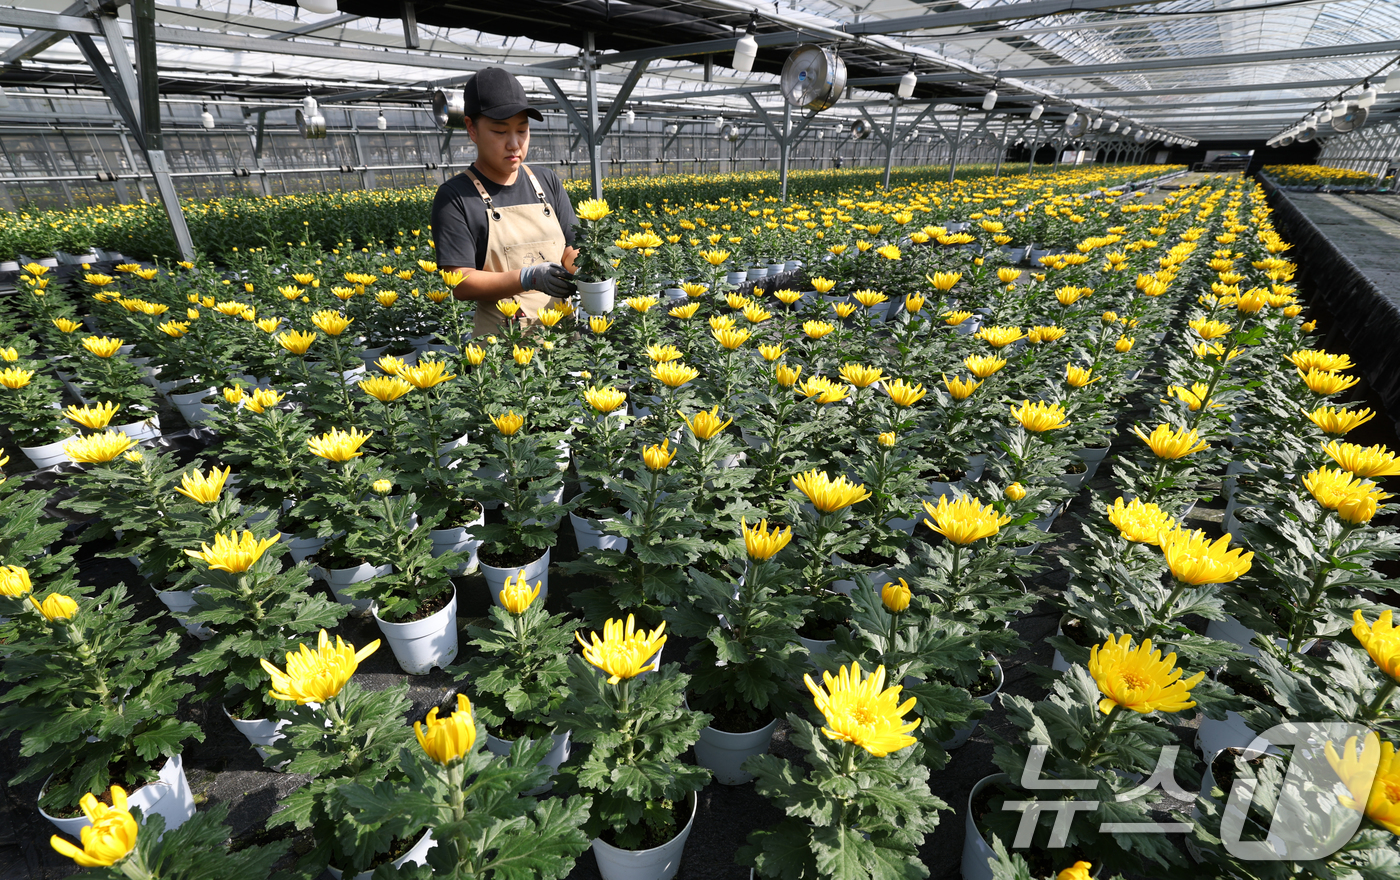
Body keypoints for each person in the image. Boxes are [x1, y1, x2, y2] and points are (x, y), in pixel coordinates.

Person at [431, 67, 579, 337]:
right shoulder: (455, 196)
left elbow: (570, 250)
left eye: (522, 131)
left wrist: (590, 271)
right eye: (500, 132)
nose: (514, 144)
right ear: (471, 129)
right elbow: (460, 283)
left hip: (562, 339)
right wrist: (528, 278)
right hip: (502, 353)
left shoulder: (547, 182)